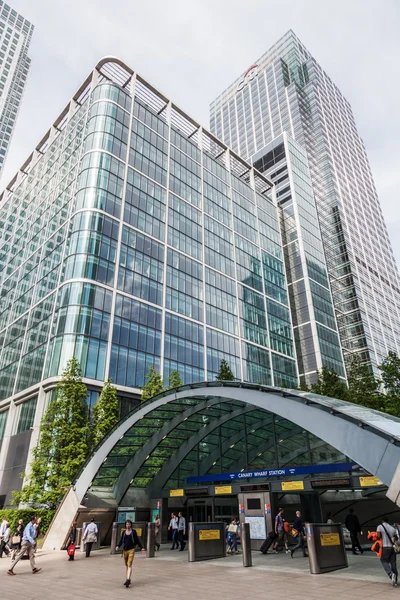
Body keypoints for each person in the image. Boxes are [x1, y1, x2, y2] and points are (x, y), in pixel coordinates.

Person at [116, 520, 145, 588]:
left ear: (131, 525)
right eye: (127, 524)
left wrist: (142, 548)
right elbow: (121, 540)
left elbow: (137, 540)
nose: (128, 525)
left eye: (129, 524)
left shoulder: (133, 532)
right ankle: (127, 578)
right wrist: (118, 546)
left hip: (131, 549)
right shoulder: (124, 532)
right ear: (125, 525)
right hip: (125, 550)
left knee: (129, 564)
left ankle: (128, 579)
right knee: (126, 565)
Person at [377, 517, 398, 586]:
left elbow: (378, 536)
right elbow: (396, 538)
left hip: (385, 547)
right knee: (393, 563)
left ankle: (391, 574)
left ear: (382, 520)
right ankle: (396, 580)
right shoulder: (392, 528)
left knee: (383, 561)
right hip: (393, 548)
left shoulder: (380, 527)